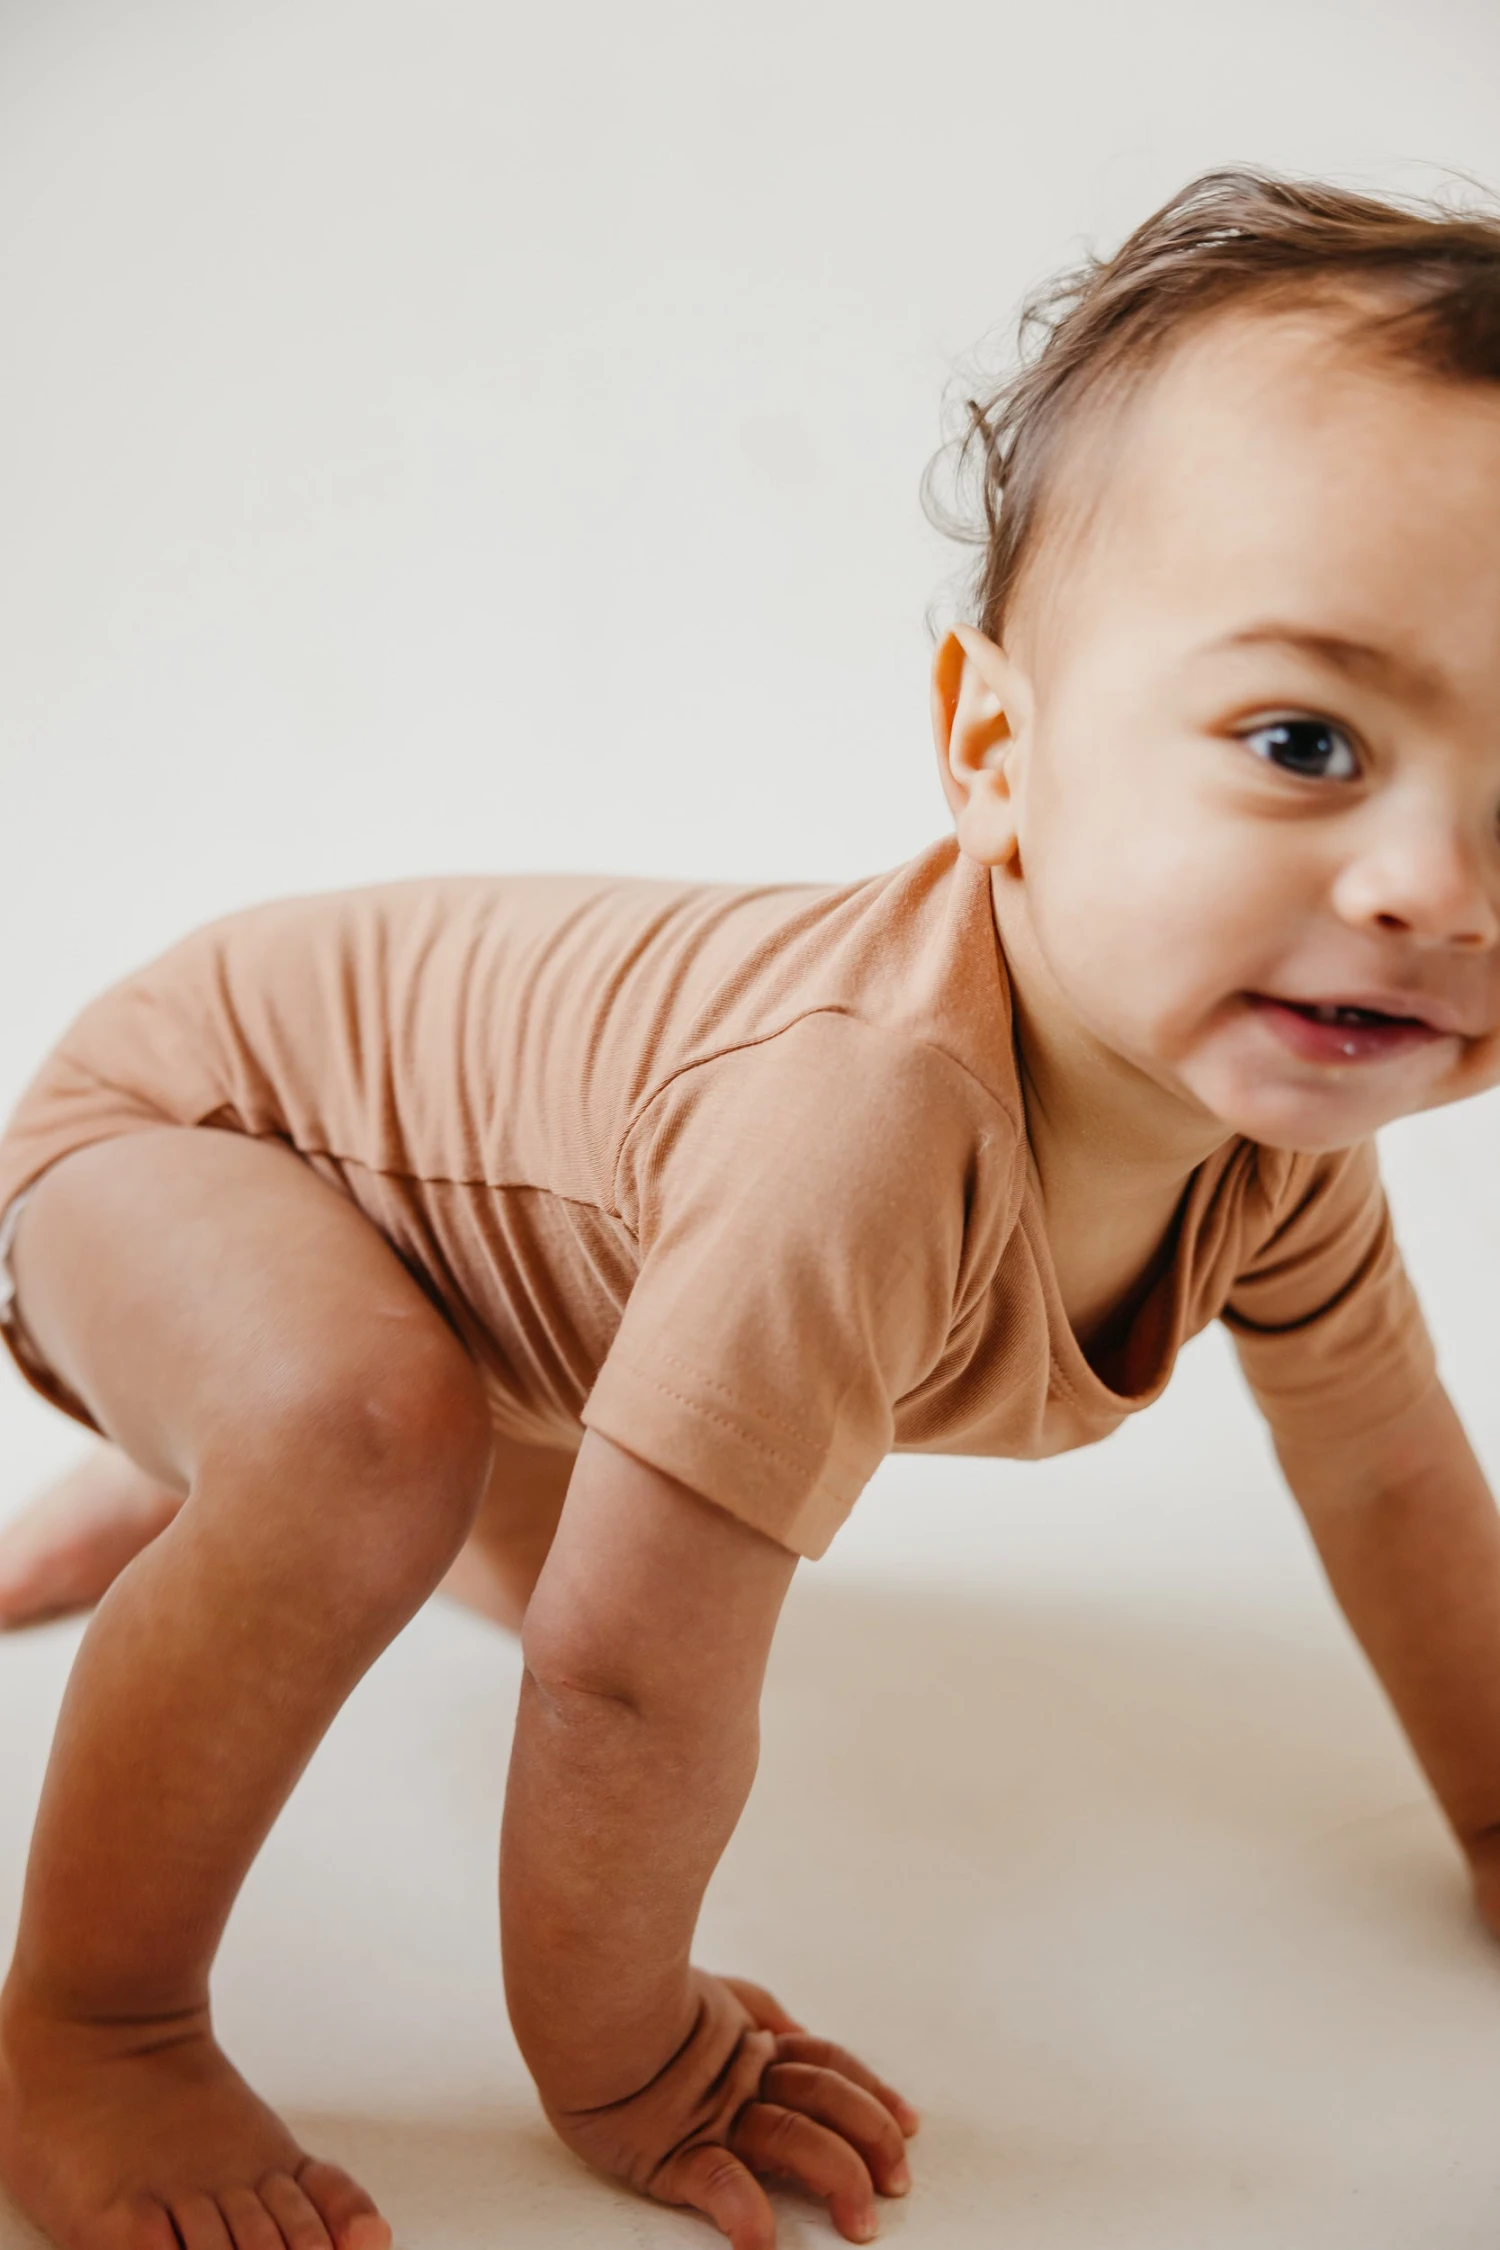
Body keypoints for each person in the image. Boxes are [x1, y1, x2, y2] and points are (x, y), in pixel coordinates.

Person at [3, 166, 1500, 2250]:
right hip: (188, 1132)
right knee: (363, 1446)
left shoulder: (1274, 1152)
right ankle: (91, 2024)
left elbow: (1395, 1478)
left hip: (488, 1251)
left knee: (455, 1477)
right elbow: (626, 1679)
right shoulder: (861, 1127)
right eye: (1304, 740)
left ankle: (197, 1465)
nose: (1435, 888)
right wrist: (625, 2050)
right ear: (994, 746)